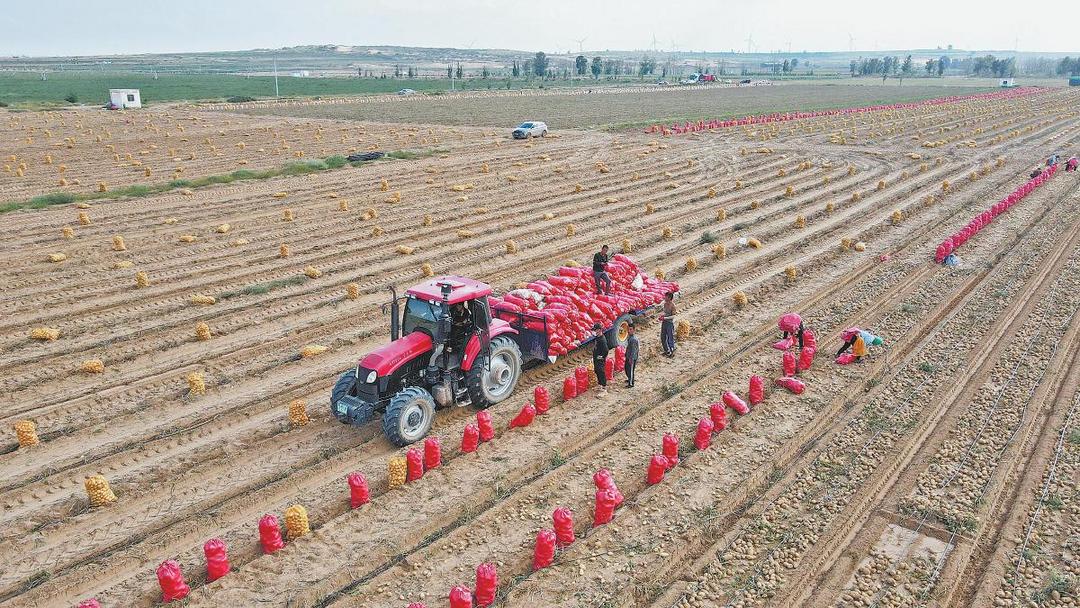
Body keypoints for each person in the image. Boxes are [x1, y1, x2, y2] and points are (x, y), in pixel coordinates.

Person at [592, 322, 609, 396]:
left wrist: (600, 357)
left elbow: (606, 350)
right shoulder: (597, 337)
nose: (594, 331)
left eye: (595, 330)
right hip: (596, 358)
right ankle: (600, 385)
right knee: (596, 370)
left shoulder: (602, 340)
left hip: (600, 359)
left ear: (599, 330)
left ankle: (604, 388)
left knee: (601, 371)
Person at [660, 291, 677, 357]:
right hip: (664, 323)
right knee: (663, 337)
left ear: (669, 298)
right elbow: (665, 312)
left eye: (666, 296)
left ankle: (672, 351)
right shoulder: (665, 304)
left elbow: (673, 316)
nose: (664, 297)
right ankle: (666, 351)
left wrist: (665, 318)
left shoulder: (673, 306)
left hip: (669, 323)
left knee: (670, 338)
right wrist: (662, 316)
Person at [624, 321, 640, 388]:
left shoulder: (633, 339)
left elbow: (634, 350)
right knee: (627, 368)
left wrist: (631, 358)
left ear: (634, 330)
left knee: (630, 370)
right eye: (628, 329)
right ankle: (629, 379)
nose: (629, 331)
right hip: (628, 356)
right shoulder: (630, 337)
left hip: (632, 358)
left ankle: (631, 383)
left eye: (630, 329)